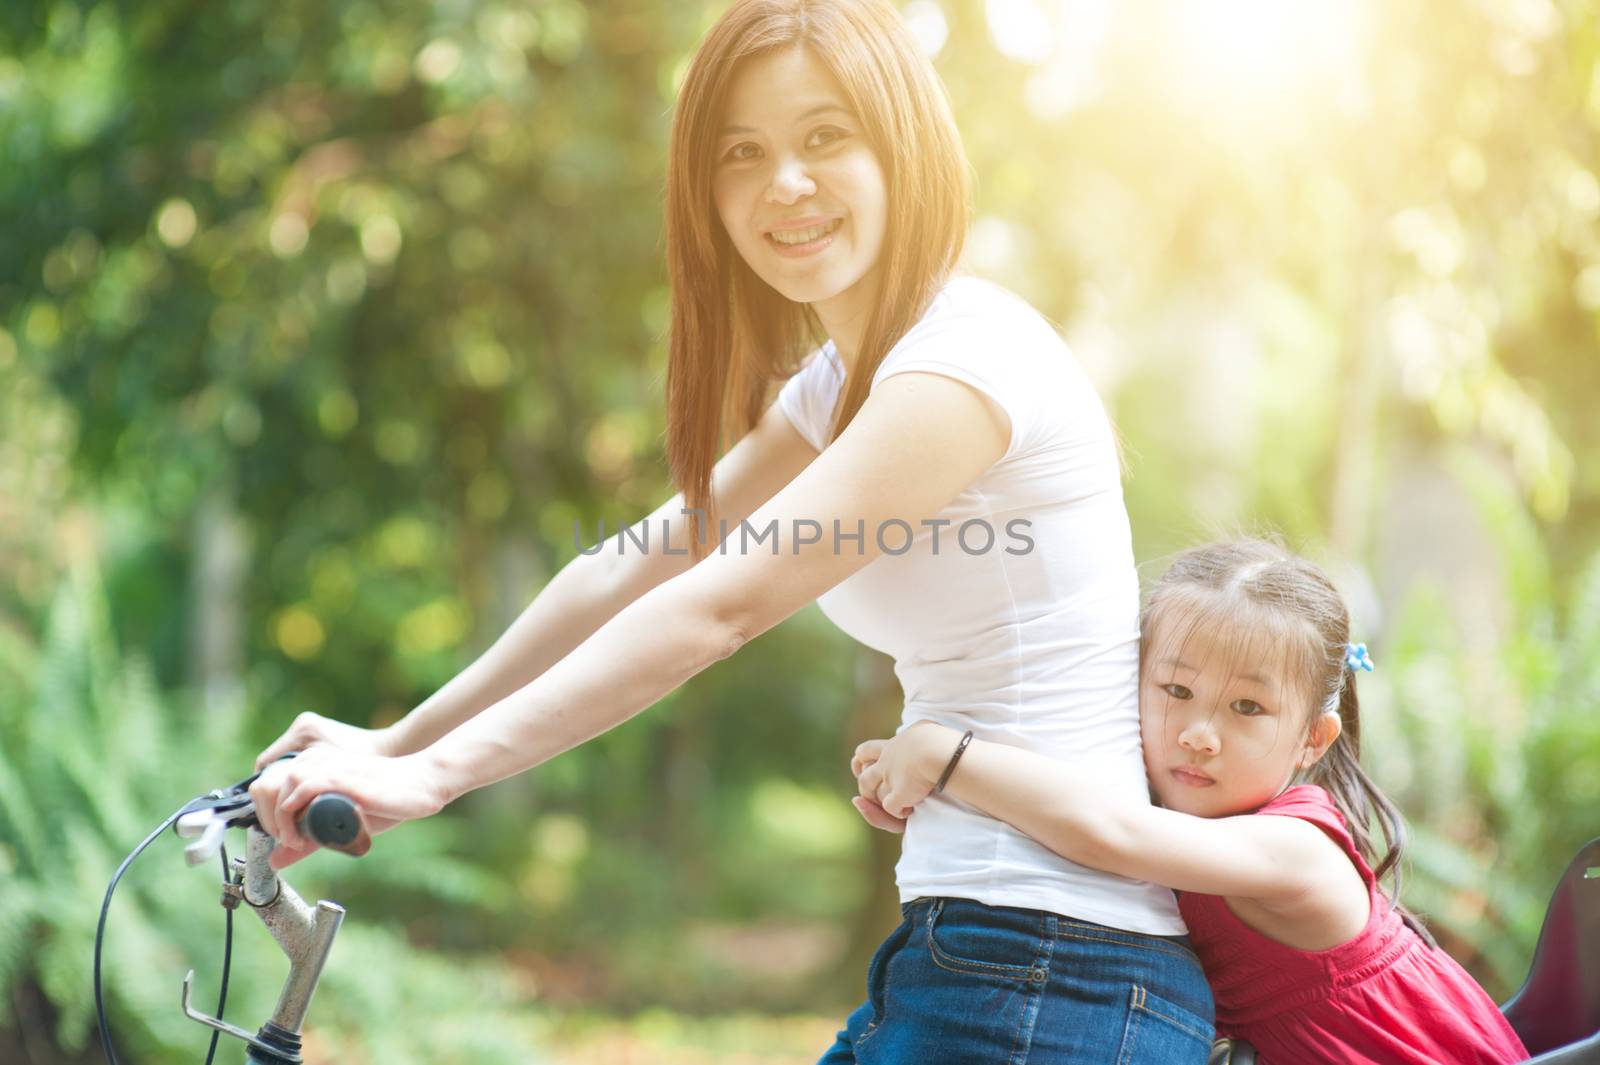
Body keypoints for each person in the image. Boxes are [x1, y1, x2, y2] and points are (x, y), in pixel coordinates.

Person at [249, 1, 1213, 1060]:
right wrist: (398, 742)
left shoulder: (966, 362)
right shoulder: (839, 384)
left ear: (906, 148)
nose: (781, 183)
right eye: (740, 153)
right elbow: (628, 566)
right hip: (979, 950)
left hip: (1055, 967)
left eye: (823, 138)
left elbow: (721, 606)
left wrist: (432, 782)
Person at [851, 538, 1531, 1065]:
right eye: (1176, 691)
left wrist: (947, 757)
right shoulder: (1187, 818)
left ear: (1311, 739)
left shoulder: (1298, 852)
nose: (1200, 733)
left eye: (1247, 707)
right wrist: (935, 798)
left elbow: (1110, 833)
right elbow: (1074, 814)